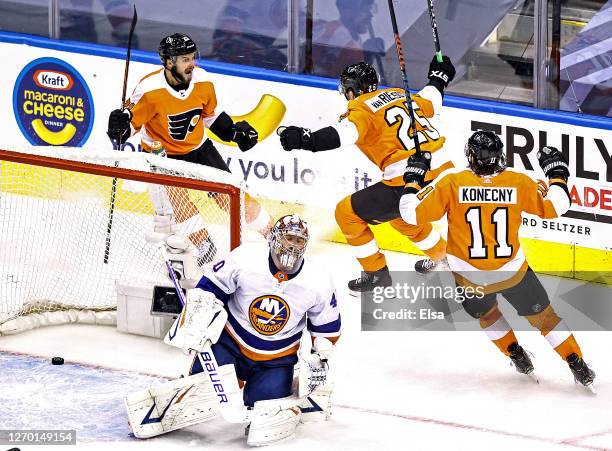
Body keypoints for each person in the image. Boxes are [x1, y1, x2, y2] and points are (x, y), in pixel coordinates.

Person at [398, 131, 595, 389]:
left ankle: (516, 355)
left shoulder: (451, 182)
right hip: (514, 274)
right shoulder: (518, 181)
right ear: (499, 155)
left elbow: (409, 214)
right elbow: (558, 205)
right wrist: (557, 173)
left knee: (488, 314)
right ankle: (576, 363)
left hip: (470, 280)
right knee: (546, 319)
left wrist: (414, 177)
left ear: (470, 156)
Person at [126, 214, 340, 445]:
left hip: (276, 360)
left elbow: (326, 328)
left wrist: (320, 355)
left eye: (298, 241)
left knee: (265, 405)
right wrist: (199, 317)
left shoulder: (318, 280)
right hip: (230, 346)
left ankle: (272, 391)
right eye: (288, 237)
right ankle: (176, 396)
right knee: (201, 391)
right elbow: (209, 288)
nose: (292, 245)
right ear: (274, 238)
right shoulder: (246, 258)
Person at [278, 56, 456, 294]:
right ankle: (446, 259)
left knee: (347, 213)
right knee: (401, 218)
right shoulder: (400, 94)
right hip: (446, 174)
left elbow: (341, 136)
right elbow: (432, 98)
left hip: (411, 177)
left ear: (351, 91)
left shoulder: (361, 109)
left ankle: (376, 274)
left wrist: (304, 140)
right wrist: (439, 76)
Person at [107, 33, 273, 265]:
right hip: (161, 154)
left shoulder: (203, 81)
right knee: (178, 197)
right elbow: (129, 129)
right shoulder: (149, 89)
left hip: (198, 148)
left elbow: (211, 116)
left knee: (231, 194)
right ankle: (203, 242)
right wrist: (118, 128)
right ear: (168, 62)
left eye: (192, 57)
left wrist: (234, 133)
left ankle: (272, 231)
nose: (191, 64)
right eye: (185, 59)